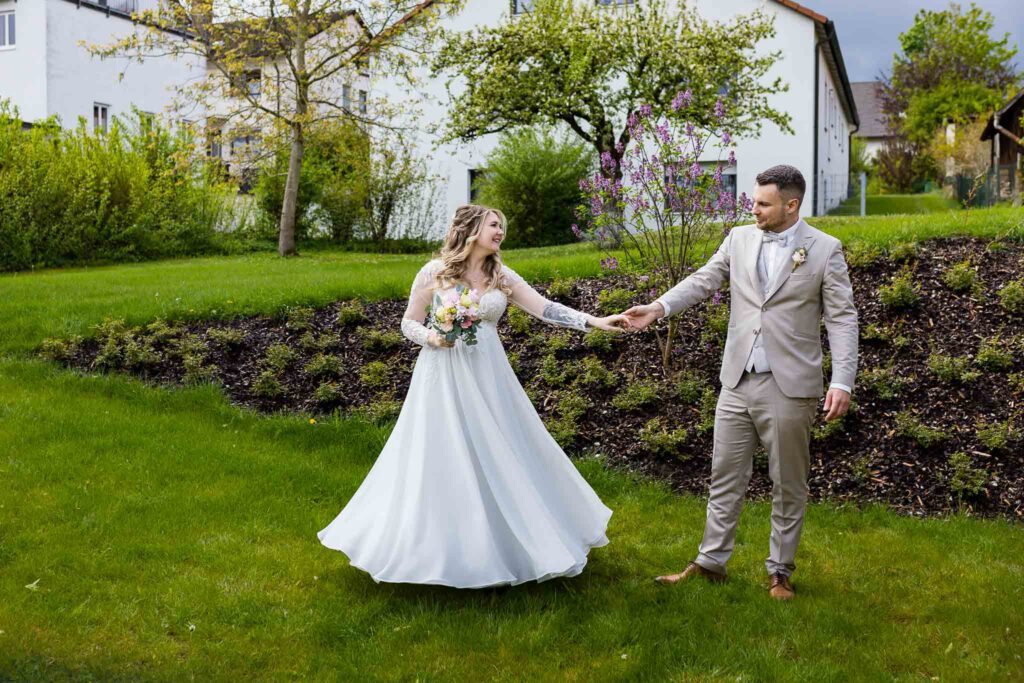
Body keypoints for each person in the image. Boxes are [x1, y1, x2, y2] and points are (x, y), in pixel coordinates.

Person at [318, 204, 629, 588]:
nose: (500, 231)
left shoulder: (501, 276)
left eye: (503, 226)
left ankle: (513, 543)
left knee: (504, 447)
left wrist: (595, 321)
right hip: (443, 372)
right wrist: (433, 337)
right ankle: (435, 550)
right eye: (494, 224)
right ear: (471, 228)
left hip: (488, 373)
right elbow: (408, 322)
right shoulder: (435, 272)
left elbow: (545, 308)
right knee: (442, 452)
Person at [624, 165, 859, 600]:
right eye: (753, 200)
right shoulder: (739, 237)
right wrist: (658, 308)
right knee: (724, 475)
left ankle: (779, 572)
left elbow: (843, 319)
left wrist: (842, 380)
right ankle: (711, 562)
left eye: (763, 203)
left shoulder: (825, 250)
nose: (753, 208)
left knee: (788, 482)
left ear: (792, 205)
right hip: (736, 380)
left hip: (791, 386)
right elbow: (703, 280)